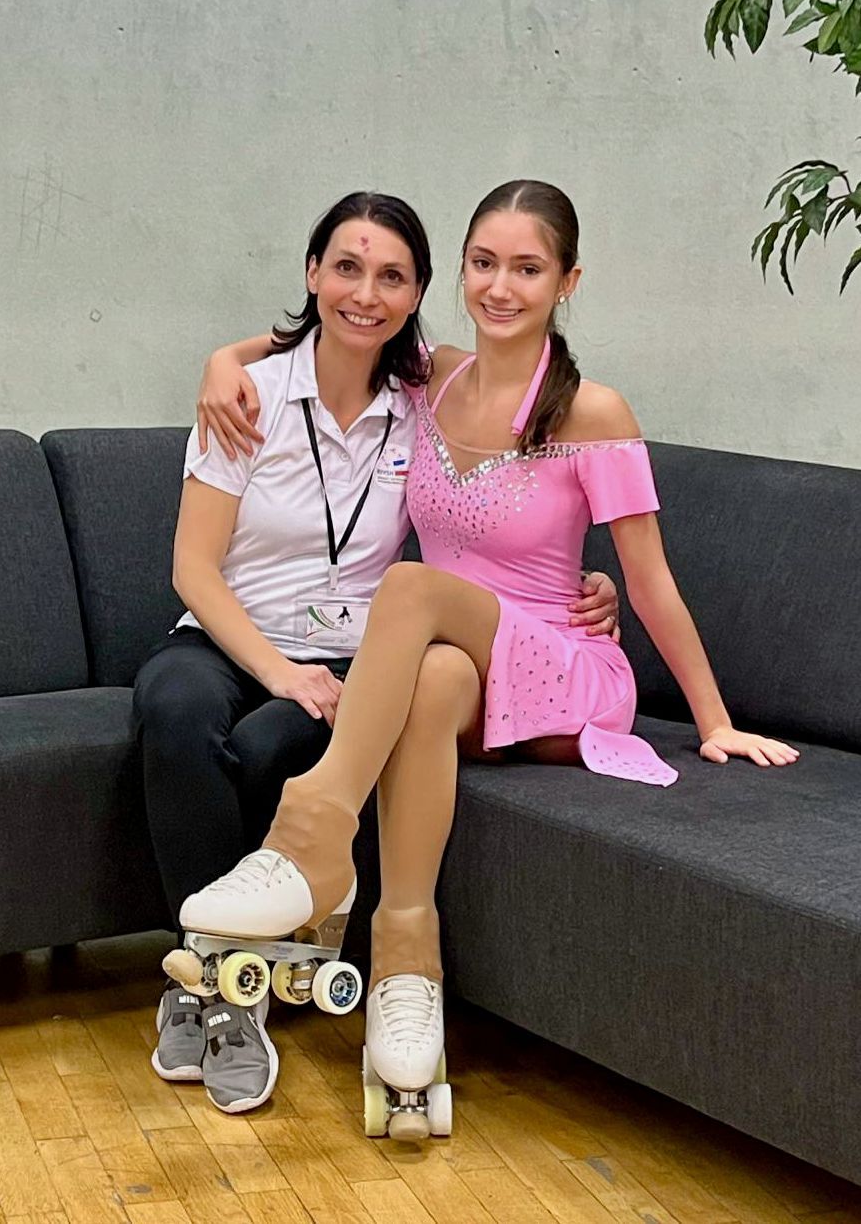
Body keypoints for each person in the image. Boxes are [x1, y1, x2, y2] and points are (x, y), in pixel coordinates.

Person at [181, 179, 800, 1132]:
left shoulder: (594, 412)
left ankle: (311, 835)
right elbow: (330, 326)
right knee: (430, 671)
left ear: (567, 281)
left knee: (409, 589)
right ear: (460, 272)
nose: (500, 287)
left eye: (527, 268)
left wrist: (713, 721)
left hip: (565, 667)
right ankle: (406, 967)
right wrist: (223, 358)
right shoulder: (431, 378)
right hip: (461, 663)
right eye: (482, 263)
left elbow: (649, 582)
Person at [133, 188, 619, 1114]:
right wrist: (222, 356)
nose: (366, 293)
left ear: (418, 294)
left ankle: (252, 980)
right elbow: (193, 569)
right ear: (312, 273)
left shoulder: (425, 401)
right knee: (175, 709)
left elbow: (502, 511)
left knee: (276, 745)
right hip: (233, 638)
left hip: (358, 659)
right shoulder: (248, 396)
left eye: (392, 276)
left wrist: (584, 591)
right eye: (347, 268)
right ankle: (211, 984)